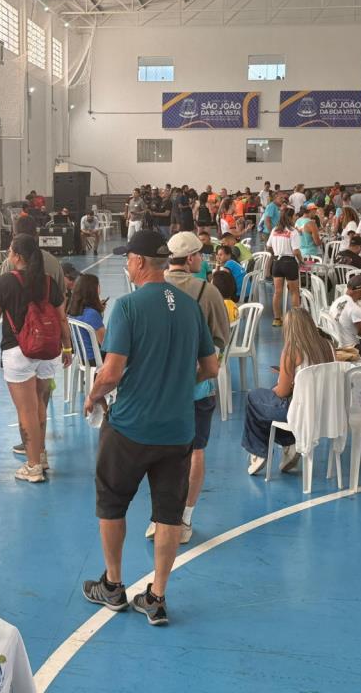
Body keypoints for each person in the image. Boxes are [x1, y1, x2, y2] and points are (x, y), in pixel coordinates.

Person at [81, 230, 218, 625]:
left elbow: (111, 373)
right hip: (178, 431)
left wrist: (93, 396)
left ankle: (113, 584)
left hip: (130, 429)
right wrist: (176, 385)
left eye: (128, 259)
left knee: (111, 502)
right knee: (169, 514)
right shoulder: (192, 307)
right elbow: (210, 368)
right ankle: (157, 596)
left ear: (140, 263)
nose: (125, 265)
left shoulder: (126, 307)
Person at [155, 231, 229, 545]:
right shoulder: (207, 292)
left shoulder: (151, 289)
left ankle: (160, 517)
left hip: (159, 388)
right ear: (191, 259)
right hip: (197, 387)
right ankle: (184, 517)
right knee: (195, 450)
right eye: (200, 254)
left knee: (160, 452)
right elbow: (221, 339)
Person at [0, 234, 72, 483]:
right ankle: (40, 455)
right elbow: (62, 318)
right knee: (40, 404)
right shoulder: (50, 283)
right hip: (48, 351)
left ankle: (32, 466)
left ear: (17, 256)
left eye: (10, 251)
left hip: (19, 351)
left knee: (26, 410)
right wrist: (67, 347)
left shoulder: (6, 282)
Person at [242, 308, 334, 473]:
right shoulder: (328, 346)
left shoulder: (292, 350)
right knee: (265, 400)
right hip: (323, 409)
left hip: (300, 411)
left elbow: (282, 392)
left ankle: (260, 451)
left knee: (254, 399)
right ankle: (289, 443)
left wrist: (276, 388)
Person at [266, 210, 302, 325]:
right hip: (289, 263)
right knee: (294, 292)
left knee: (277, 292)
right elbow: (296, 251)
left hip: (277, 263)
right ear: (291, 217)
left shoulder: (274, 230)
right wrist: (302, 261)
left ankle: (277, 319)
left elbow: (268, 246)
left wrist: (275, 253)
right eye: (295, 216)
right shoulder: (293, 231)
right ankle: (295, 319)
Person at [67, 274, 106, 364]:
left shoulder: (73, 312)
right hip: (95, 359)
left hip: (82, 357)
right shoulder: (92, 314)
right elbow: (105, 343)